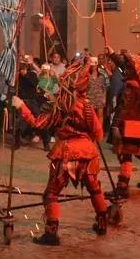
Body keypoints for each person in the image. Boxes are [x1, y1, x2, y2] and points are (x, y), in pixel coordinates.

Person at [12, 61, 109, 245]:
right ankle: (103, 224)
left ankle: (51, 234)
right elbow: (98, 134)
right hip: (88, 154)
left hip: (66, 153)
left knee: (51, 194)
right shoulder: (88, 108)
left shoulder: (60, 107)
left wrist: (21, 106)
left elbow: (37, 123)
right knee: (95, 188)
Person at [105, 48, 140, 198]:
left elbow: (124, 108)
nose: (125, 69)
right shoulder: (139, 83)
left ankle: (122, 187)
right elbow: (124, 65)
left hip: (129, 124)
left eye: (128, 66)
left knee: (125, 153)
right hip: (138, 124)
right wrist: (112, 54)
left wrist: (116, 125)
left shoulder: (131, 87)